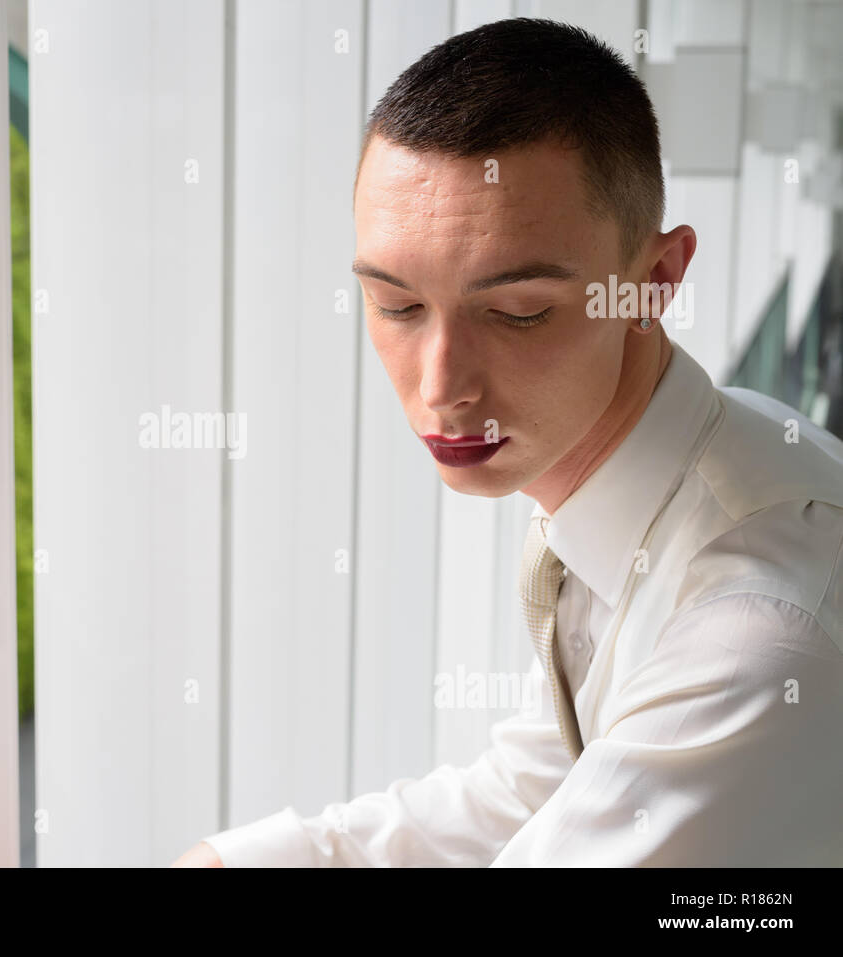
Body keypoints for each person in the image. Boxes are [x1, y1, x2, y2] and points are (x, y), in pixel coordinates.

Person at [172, 17, 843, 867]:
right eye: (397, 305)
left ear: (655, 283)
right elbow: (541, 786)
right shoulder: (651, 475)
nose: (441, 383)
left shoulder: (754, 635)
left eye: (518, 311)